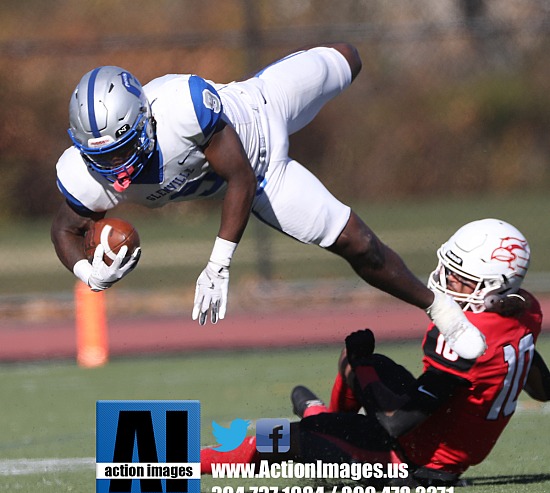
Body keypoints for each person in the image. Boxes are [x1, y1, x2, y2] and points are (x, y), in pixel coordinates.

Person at [50, 42, 485, 359]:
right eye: (101, 155)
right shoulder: (89, 174)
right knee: (358, 244)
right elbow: (65, 228)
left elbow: (236, 174)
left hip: (260, 110)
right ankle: (440, 309)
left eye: (121, 148)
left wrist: (218, 264)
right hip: (268, 181)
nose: (115, 164)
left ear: (144, 119)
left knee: (350, 57)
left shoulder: (180, 107)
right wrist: (89, 274)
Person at [200, 219, 549, 486]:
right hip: (435, 442)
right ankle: (328, 421)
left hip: (411, 461)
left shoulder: (467, 337)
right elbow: (542, 388)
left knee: (277, 439)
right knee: (360, 364)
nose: (444, 280)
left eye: (459, 278)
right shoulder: (524, 311)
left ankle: (176, 462)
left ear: (492, 286)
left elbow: (396, 421)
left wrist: (362, 364)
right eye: (448, 269)